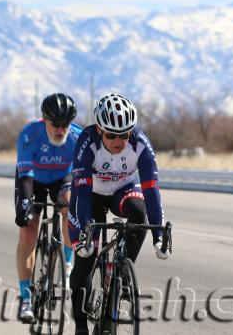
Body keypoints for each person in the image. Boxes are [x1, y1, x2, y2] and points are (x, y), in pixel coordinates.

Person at [68, 92, 171, 335]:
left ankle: (122, 272)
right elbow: (81, 193)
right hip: (89, 195)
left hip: (121, 191)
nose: (118, 141)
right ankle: (81, 326)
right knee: (86, 256)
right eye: (112, 135)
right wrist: (85, 230)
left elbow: (151, 190)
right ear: (100, 130)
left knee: (139, 211)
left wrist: (158, 234)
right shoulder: (86, 142)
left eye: (124, 134)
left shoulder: (141, 144)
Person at [15, 93, 82, 323]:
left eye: (65, 125)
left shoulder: (78, 137)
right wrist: (25, 206)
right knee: (28, 228)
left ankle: (67, 264)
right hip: (32, 179)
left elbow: (84, 177)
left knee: (70, 207)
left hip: (62, 178)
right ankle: (26, 298)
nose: (60, 130)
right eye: (56, 124)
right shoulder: (29, 134)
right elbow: (24, 178)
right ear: (45, 120)